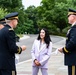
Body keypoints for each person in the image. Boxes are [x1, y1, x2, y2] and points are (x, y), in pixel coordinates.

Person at [58, 8, 76, 75]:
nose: (68, 18)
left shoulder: (75, 28)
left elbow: (73, 42)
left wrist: (64, 49)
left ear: (73, 17)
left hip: (74, 60)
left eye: (68, 16)